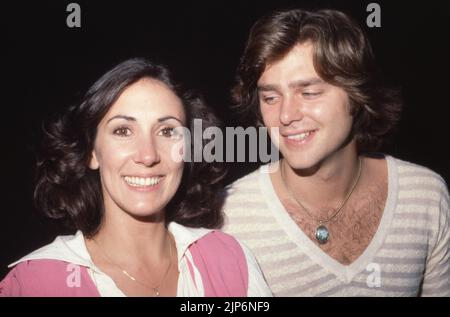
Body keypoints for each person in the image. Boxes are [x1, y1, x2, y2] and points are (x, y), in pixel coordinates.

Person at [221, 8, 450, 296]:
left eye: (309, 93)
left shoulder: (425, 196)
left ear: (357, 96)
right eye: (270, 97)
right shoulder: (229, 217)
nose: (286, 115)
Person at [0, 58, 272, 297]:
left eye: (167, 131)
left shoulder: (228, 259)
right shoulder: (35, 283)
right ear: (92, 152)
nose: (147, 155)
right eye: (123, 131)